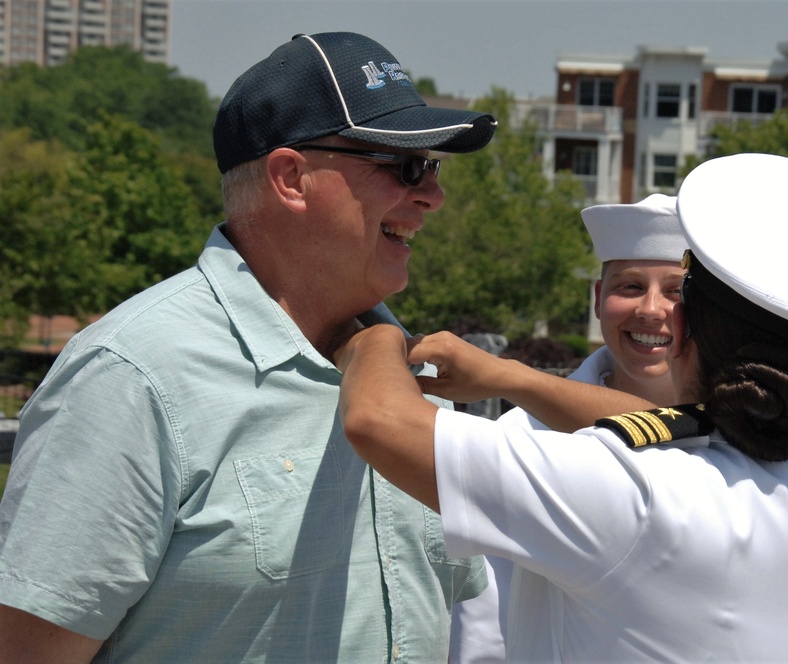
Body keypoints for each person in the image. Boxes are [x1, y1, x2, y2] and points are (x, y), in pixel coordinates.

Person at [0, 31, 498, 662]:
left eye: (433, 167)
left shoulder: (415, 373)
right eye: (404, 166)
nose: (433, 194)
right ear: (291, 177)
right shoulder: (131, 378)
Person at [335, 153, 788, 661]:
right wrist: (513, 379)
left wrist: (373, 334)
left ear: (686, 329)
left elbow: (379, 421)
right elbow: (668, 434)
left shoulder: (632, 487)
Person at [450, 193, 688, 662]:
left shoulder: (777, 432)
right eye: (631, 286)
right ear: (598, 300)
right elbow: (485, 621)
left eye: (678, 291)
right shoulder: (525, 436)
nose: (651, 309)